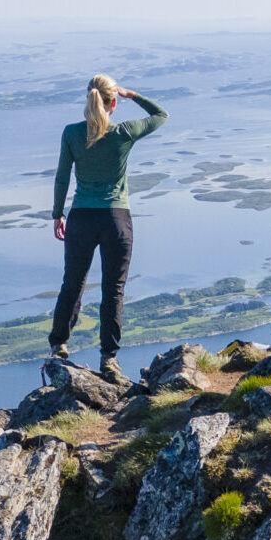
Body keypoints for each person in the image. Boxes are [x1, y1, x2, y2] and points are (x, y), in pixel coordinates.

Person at [47, 74, 168, 382]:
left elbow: (62, 177)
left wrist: (58, 214)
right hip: (116, 219)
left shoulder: (71, 133)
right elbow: (160, 114)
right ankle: (108, 359)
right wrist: (132, 94)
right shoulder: (124, 133)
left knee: (72, 284)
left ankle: (59, 346)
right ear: (113, 102)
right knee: (113, 290)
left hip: (81, 218)